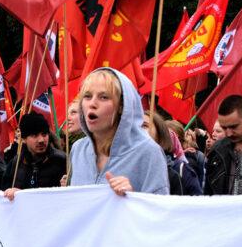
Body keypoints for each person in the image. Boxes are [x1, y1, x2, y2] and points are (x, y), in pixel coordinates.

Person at [69, 68, 169, 196]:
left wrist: (132, 197)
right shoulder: (78, 149)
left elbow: (158, 211)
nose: (92, 104)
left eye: (104, 97)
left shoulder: (148, 151)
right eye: (87, 96)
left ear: (122, 106)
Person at [2, 112, 66, 195]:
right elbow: (4, 195)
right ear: (24, 139)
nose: (41, 140)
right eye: (34, 135)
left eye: (44, 134)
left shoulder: (61, 160)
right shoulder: (16, 164)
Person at [143, 113, 201, 196]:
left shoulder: (177, 172)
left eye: (144, 126)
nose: (139, 130)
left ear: (160, 135)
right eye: (136, 125)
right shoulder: (124, 163)